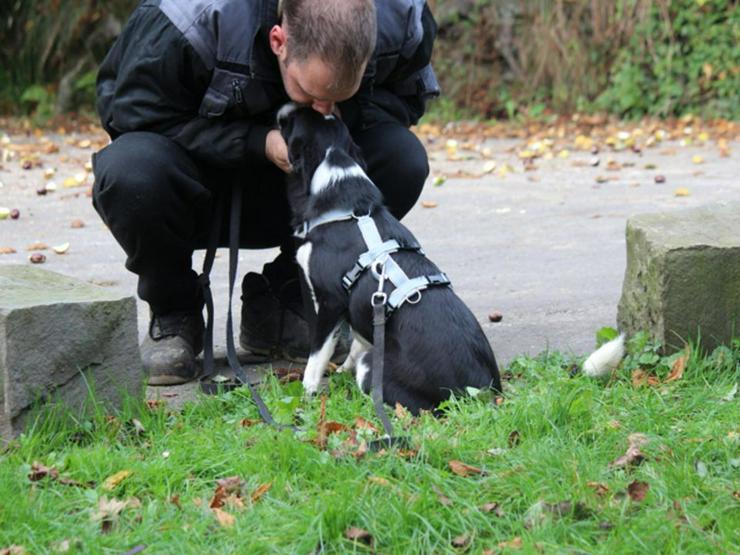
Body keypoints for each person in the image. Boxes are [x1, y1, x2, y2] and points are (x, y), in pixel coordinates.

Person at [92, 0, 439, 385]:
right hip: (198, 185)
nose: (324, 109)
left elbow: (405, 100)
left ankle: (288, 299)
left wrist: (349, 116)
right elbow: (130, 114)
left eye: (340, 94)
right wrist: (255, 142)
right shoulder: (190, 18)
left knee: (402, 158)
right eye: (310, 92)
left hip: (299, 189)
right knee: (131, 172)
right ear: (279, 41)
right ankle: (175, 313)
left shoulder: (403, 16)